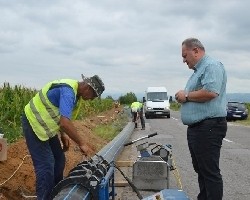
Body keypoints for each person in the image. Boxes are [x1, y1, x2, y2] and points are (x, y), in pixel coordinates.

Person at [21, 74, 105, 200]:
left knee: (59, 159)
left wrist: (63, 134)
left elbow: (57, 114)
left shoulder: (74, 93)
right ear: (88, 88)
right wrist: (82, 143)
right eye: (93, 96)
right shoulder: (68, 93)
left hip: (46, 127)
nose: (92, 100)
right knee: (46, 166)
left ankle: (56, 194)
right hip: (34, 123)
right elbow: (65, 123)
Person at [175, 38, 227, 200]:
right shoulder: (199, 70)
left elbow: (211, 92)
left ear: (196, 51)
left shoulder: (211, 66)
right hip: (199, 128)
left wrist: (187, 95)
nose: (184, 60)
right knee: (202, 169)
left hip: (208, 127)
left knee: (209, 171)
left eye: (185, 56)